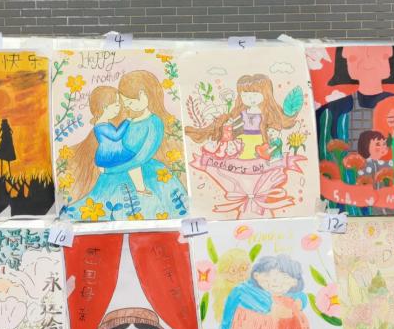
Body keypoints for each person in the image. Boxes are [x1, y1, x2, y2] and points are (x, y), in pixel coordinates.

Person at [66, 70, 187, 219]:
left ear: (143, 95)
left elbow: (141, 158)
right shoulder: (128, 121)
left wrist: (110, 170)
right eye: (125, 103)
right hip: (116, 171)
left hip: (141, 172)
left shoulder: (154, 123)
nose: (128, 107)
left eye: (130, 102)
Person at [186, 74, 296, 160]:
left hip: (261, 142)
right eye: (245, 95)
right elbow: (233, 127)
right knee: (243, 162)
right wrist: (226, 125)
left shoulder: (267, 114)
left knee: (258, 162)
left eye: (255, 94)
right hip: (243, 143)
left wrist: (274, 133)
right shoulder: (241, 113)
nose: (250, 98)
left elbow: (274, 128)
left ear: (266, 94)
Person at [221, 255, 312, 329]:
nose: (275, 282)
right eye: (268, 276)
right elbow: (235, 302)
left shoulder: (286, 293)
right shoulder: (246, 291)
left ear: (295, 282)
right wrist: (270, 307)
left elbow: (298, 295)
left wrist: (300, 300)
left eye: (284, 278)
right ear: (256, 276)